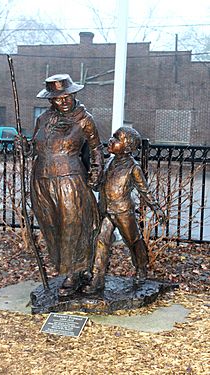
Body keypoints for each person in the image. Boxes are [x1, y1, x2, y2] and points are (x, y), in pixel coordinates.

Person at [30, 74, 104, 296]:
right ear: (50, 100)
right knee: (52, 226)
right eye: (57, 98)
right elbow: (34, 148)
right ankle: (65, 268)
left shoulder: (84, 119)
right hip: (41, 180)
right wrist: (23, 146)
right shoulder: (43, 120)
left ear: (73, 94)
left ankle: (76, 272)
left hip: (70, 180)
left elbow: (96, 148)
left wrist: (96, 171)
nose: (63, 101)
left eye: (66, 97)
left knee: (73, 225)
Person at [83, 126, 165, 294]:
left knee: (133, 241)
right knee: (101, 241)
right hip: (106, 211)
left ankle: (141, 267)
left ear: (127, 148)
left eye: (117, 139)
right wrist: (93, 182)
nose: (111, 141)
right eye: (113, 137)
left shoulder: (133, 168)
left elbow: (144, 190)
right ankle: (97, 278)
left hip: (123, 212)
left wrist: (157, 209)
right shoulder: (109, 163)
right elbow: (101, 187)